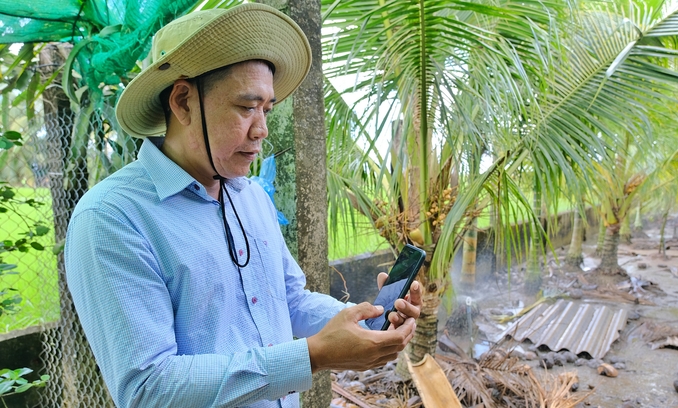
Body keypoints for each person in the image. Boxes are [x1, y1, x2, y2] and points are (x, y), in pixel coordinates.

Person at [64, 4, 421, 408]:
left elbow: (290, 302)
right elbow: (148, 388)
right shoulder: (113, 218)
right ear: (182, 101)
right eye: (246, 107)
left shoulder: (250, 196)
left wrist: (367, 318)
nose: (262, 130)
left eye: (267, 110)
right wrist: (315, 354)